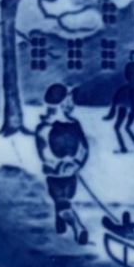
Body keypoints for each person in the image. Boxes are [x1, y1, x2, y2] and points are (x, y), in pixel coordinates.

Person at [35, 83, 90, 244]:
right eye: (69, 100)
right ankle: (78, 228)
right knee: (62, 201)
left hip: (71, 173)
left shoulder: (74, 124)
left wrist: (77, 163)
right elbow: (44, 151)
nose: (72, 104)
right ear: (60, 102)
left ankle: (60, 220)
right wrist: (58, 164)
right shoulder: (45, 127)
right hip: (55, 174)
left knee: (66, 199)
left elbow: (83, 147)